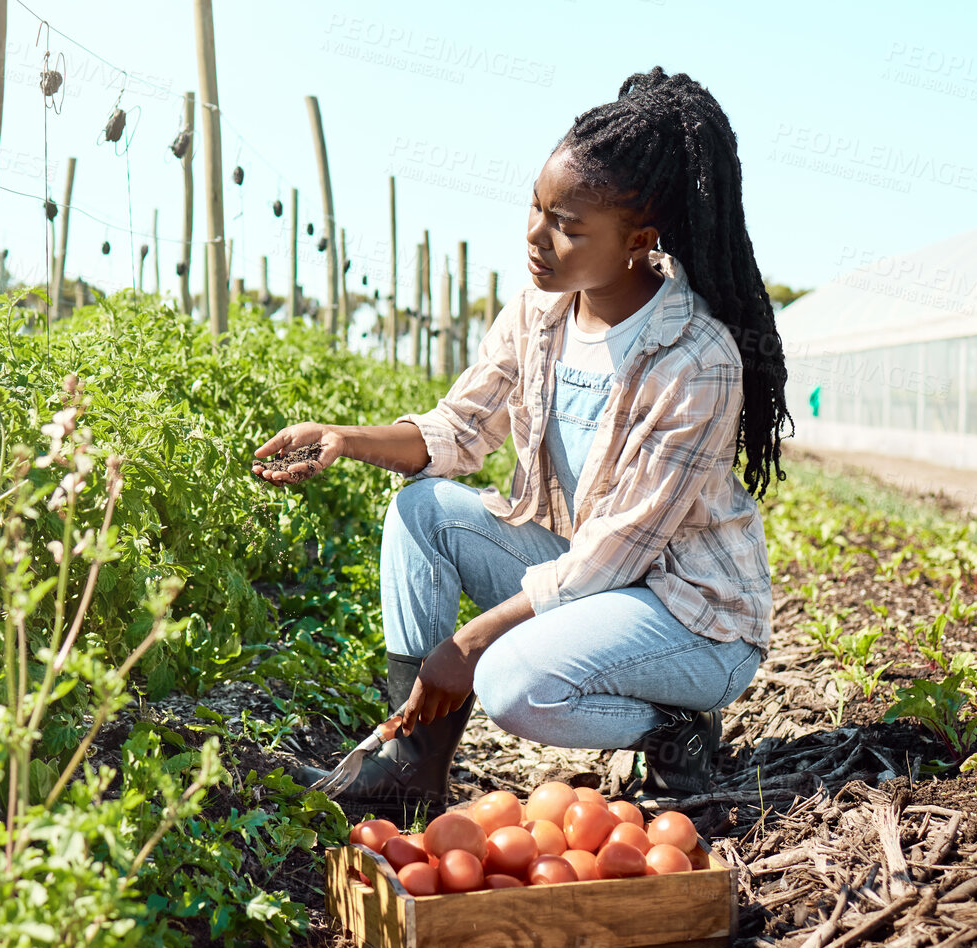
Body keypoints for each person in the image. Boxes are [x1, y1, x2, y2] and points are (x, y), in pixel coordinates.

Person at [252, 68, 790, 815]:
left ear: (638, 240)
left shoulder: (695, 360)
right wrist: (344, 437)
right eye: (537, 209)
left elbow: (615, 550)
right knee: (421, 511)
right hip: (591, 583)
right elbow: (459, 429)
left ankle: (674, 728)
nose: (537, 236)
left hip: (688, 617)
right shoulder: (541, 311)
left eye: (568, 225)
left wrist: (469, 643)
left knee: (510, 681)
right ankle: (413, 771)